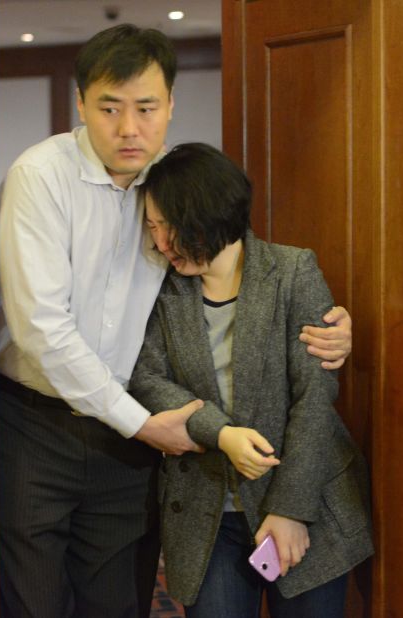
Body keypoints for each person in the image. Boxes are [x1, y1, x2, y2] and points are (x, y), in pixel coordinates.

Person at [0, 25, 354, 618]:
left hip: (129, 442)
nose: (129, 128)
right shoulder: (41, 176)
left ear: (170, 106)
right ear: (81, 103)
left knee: (119, 599)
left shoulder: (171, 181)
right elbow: (42, 329)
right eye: (109, 109)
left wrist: (331, 325)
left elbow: (244, 264)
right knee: (33, 598)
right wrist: (142, 422)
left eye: (146, 108)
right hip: (43, 422)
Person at [129, 143, 374, 617]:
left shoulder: (291, 271)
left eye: (170, 227)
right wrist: (218, 431)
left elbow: (313, 398)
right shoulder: (162, 286)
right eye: (152, 227)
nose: (160, 243)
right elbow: (146, 377)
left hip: (307, 499)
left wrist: (291, 510)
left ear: (210, 215)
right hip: (207, 511)